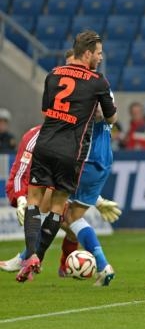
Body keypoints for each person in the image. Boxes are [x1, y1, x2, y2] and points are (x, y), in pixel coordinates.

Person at [4, 49, 120, 286]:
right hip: (102, 160)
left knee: (48, 207)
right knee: (71, 218)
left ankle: (28, 257)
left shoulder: (92, 87)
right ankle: (102, 264)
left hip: (82, 155)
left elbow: (100, 116)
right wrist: (96, 199)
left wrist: (22, 199)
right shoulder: (100, 86)